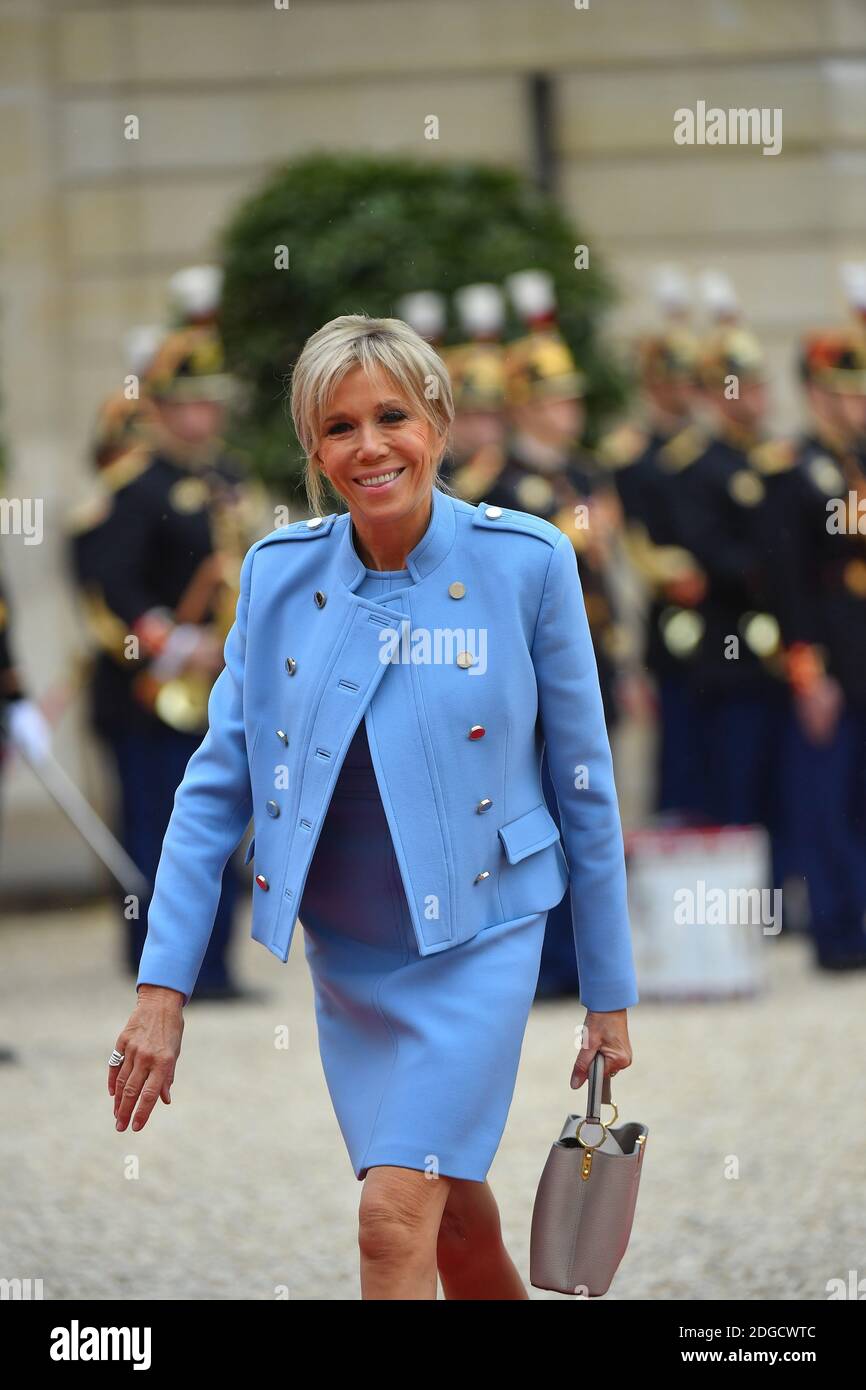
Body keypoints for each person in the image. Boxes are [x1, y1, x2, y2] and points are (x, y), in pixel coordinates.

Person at [110, 313, 638, 1300]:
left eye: (390, 414)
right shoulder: (276, 575)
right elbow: (215, 791)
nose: (368, 446)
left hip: (481, 934)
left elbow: (583, 787)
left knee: (391, 1217)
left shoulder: (526, 563)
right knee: (457, 1230)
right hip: (351, 958)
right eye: (338, 425)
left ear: (435, 419)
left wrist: (606, 992)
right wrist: (160, 988)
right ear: (312, 446)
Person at [67, 325, 269, 1000]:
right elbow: (111, 588)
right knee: (162, 834)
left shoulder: (226, 478)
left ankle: (214, 967)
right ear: (158, 407)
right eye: (188, 401)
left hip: (220, 684)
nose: (202, 415)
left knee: (222, 829)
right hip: (153, 695)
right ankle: (168, 975)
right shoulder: (135, 486)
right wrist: (178, 644)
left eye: (210, 401)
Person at [761, 329, 866, 969]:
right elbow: (786, 582)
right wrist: (808, 673)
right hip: (829, 659)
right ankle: (838, 929)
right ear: (815, 395)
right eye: (841, 394)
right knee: (826, 802)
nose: (855, 406)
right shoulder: (792, 468)